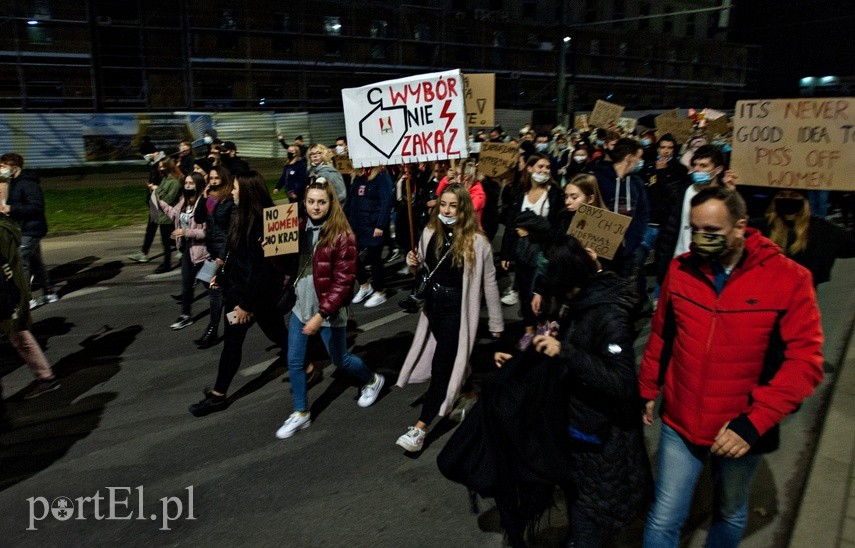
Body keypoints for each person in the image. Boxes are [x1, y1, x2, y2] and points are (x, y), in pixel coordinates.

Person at [639, 187, 824, 547]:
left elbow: (805, 363)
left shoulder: (789, 279)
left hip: (737, 429)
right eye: (694, 230)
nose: (700, 240)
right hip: (680, 420)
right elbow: (663, 333)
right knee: (663, 519)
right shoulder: (681, 269)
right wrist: (648, 387)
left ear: (740, 227)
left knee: (730, 510)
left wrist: (754, 422)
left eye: (711, 231)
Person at [445, 235, 650, 547]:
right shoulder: (578, 304)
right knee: (582, 517)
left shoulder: (607, 314)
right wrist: (520, 363)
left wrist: (565, 351)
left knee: (587, 529)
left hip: (601, 445)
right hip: (577, 437)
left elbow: (621, 383)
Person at [395, 184, 503, 452]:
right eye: (443, 204)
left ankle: (420, 430)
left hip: (458, 308)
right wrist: (413, 263)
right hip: (433, 307)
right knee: (450, 355)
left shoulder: (478, 242)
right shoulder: (430, 231)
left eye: (453, 205)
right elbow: (421, 270)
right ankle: (467, 390)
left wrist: (496, 324)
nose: (446, 210)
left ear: (464, 208)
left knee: (440, 366)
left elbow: (490, 283)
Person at [275, 178, 385, 439]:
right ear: (304, 202)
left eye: (321, 202)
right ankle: (301, 413)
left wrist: (321, 315)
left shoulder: (342, 235)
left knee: (340, 360)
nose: (315, 207)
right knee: (294, 361)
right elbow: (288, 266)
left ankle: (372, 380)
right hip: (301, 308)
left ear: (331, 203)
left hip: (328, 312)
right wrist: (273, 251)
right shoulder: (297, 227)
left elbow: (344, 283)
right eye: (311, 201)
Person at [189, 171, 288, 417]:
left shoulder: (262, 223)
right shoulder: (242, 218)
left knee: (269, 334)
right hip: (238, 292)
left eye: (235, 188)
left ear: (247, 191)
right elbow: (235, 256)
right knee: (269, 334)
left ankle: (218, 396)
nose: (231, 191)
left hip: (252, 297)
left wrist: (245, 305)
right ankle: (218, 395)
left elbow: (262, 270)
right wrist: (220, 276)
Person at [500, 153, 563, 342]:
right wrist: (506, 252)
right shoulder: (520, 192)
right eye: (539, 167)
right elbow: (512, 225)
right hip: (522, 251)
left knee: (540, 294)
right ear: (529, 168)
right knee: (525, 292)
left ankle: (544, 330)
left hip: (544, 253)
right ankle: (528, 332)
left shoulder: (554, 194)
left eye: (547, 167)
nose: (544, 171)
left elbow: (557, 229)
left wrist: (532, 234)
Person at [654, 144, 736, 287]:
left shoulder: (724, 197)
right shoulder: (683, 191)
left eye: (704, 166)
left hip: (708, 269)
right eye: (695, 164)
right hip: (677, 263)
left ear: (718, 170)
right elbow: (669, 230)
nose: (697, 169)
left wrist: (731, 195)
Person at [0, 213, 61, 400]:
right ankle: (45, 377)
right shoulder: (4, 227)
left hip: (8, 292)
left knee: (20, 336)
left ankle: (46, 378)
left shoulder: (2, 232)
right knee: (20, 336)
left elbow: (4, 267)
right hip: (10, 291)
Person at [751, 189, 855, 287]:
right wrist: (733, 193)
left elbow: (850, 246)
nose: (788, 199)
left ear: (804, 200)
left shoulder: (820, 228)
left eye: (794, 195)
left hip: (802, 299)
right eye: (782, 195)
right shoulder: (761, 227)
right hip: (767, 295)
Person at [0, 153, 58, 309]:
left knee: (19, 261)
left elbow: (36, 207)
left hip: (32, 228)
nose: (1, 170)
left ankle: (26, 299)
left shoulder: (28, 184)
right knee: (36, 262)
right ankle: (49, 293)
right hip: (22, 227)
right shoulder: (12, 183)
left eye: (3, 167)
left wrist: (12, 208)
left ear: (15, 167)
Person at [159, 172, 209, 330]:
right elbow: (174, 214)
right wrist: (159, 203)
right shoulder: (183, 202)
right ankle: (185, 316)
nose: (187, 186)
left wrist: (185, 232)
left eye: (191, 183)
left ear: (199, 185)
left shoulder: (205, 204)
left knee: (213, 287)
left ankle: (237, 308)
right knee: (186, 284)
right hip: (188, 250)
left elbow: (208, 233)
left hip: (205, 253)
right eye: (186, 183)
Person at [193, 165, 236, 348]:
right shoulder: (210, 198)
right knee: (207, 281)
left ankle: (212, 329)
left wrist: (222, 255)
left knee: (214, 289)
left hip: (223, 251)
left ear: (224, 179)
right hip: (212, 248)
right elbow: (199, 218)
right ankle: (233, 310)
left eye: (216, 178)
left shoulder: (229, 201)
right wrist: (203, 199)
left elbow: (230, 231)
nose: (213, 181)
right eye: (210, 178)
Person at [346, 166, 394, 308]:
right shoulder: (359, 176)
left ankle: (380, 292)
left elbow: (386, 202)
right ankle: (365, 285)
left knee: (374, 258)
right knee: (351, 256)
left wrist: (380, 225)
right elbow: (351, 201)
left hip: (373, 226)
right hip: (357, 225)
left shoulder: (382, 176)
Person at [147, 157, 183, 274]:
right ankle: (168, 262)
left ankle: (167, 264)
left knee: (168, 241)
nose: (160, 168)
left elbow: (169, 199)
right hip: (162, 215)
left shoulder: (174, 182)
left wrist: (157, 190)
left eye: (163, 166)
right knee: (166, 241)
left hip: (169, 216)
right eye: (160, 166)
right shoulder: (165, 178)